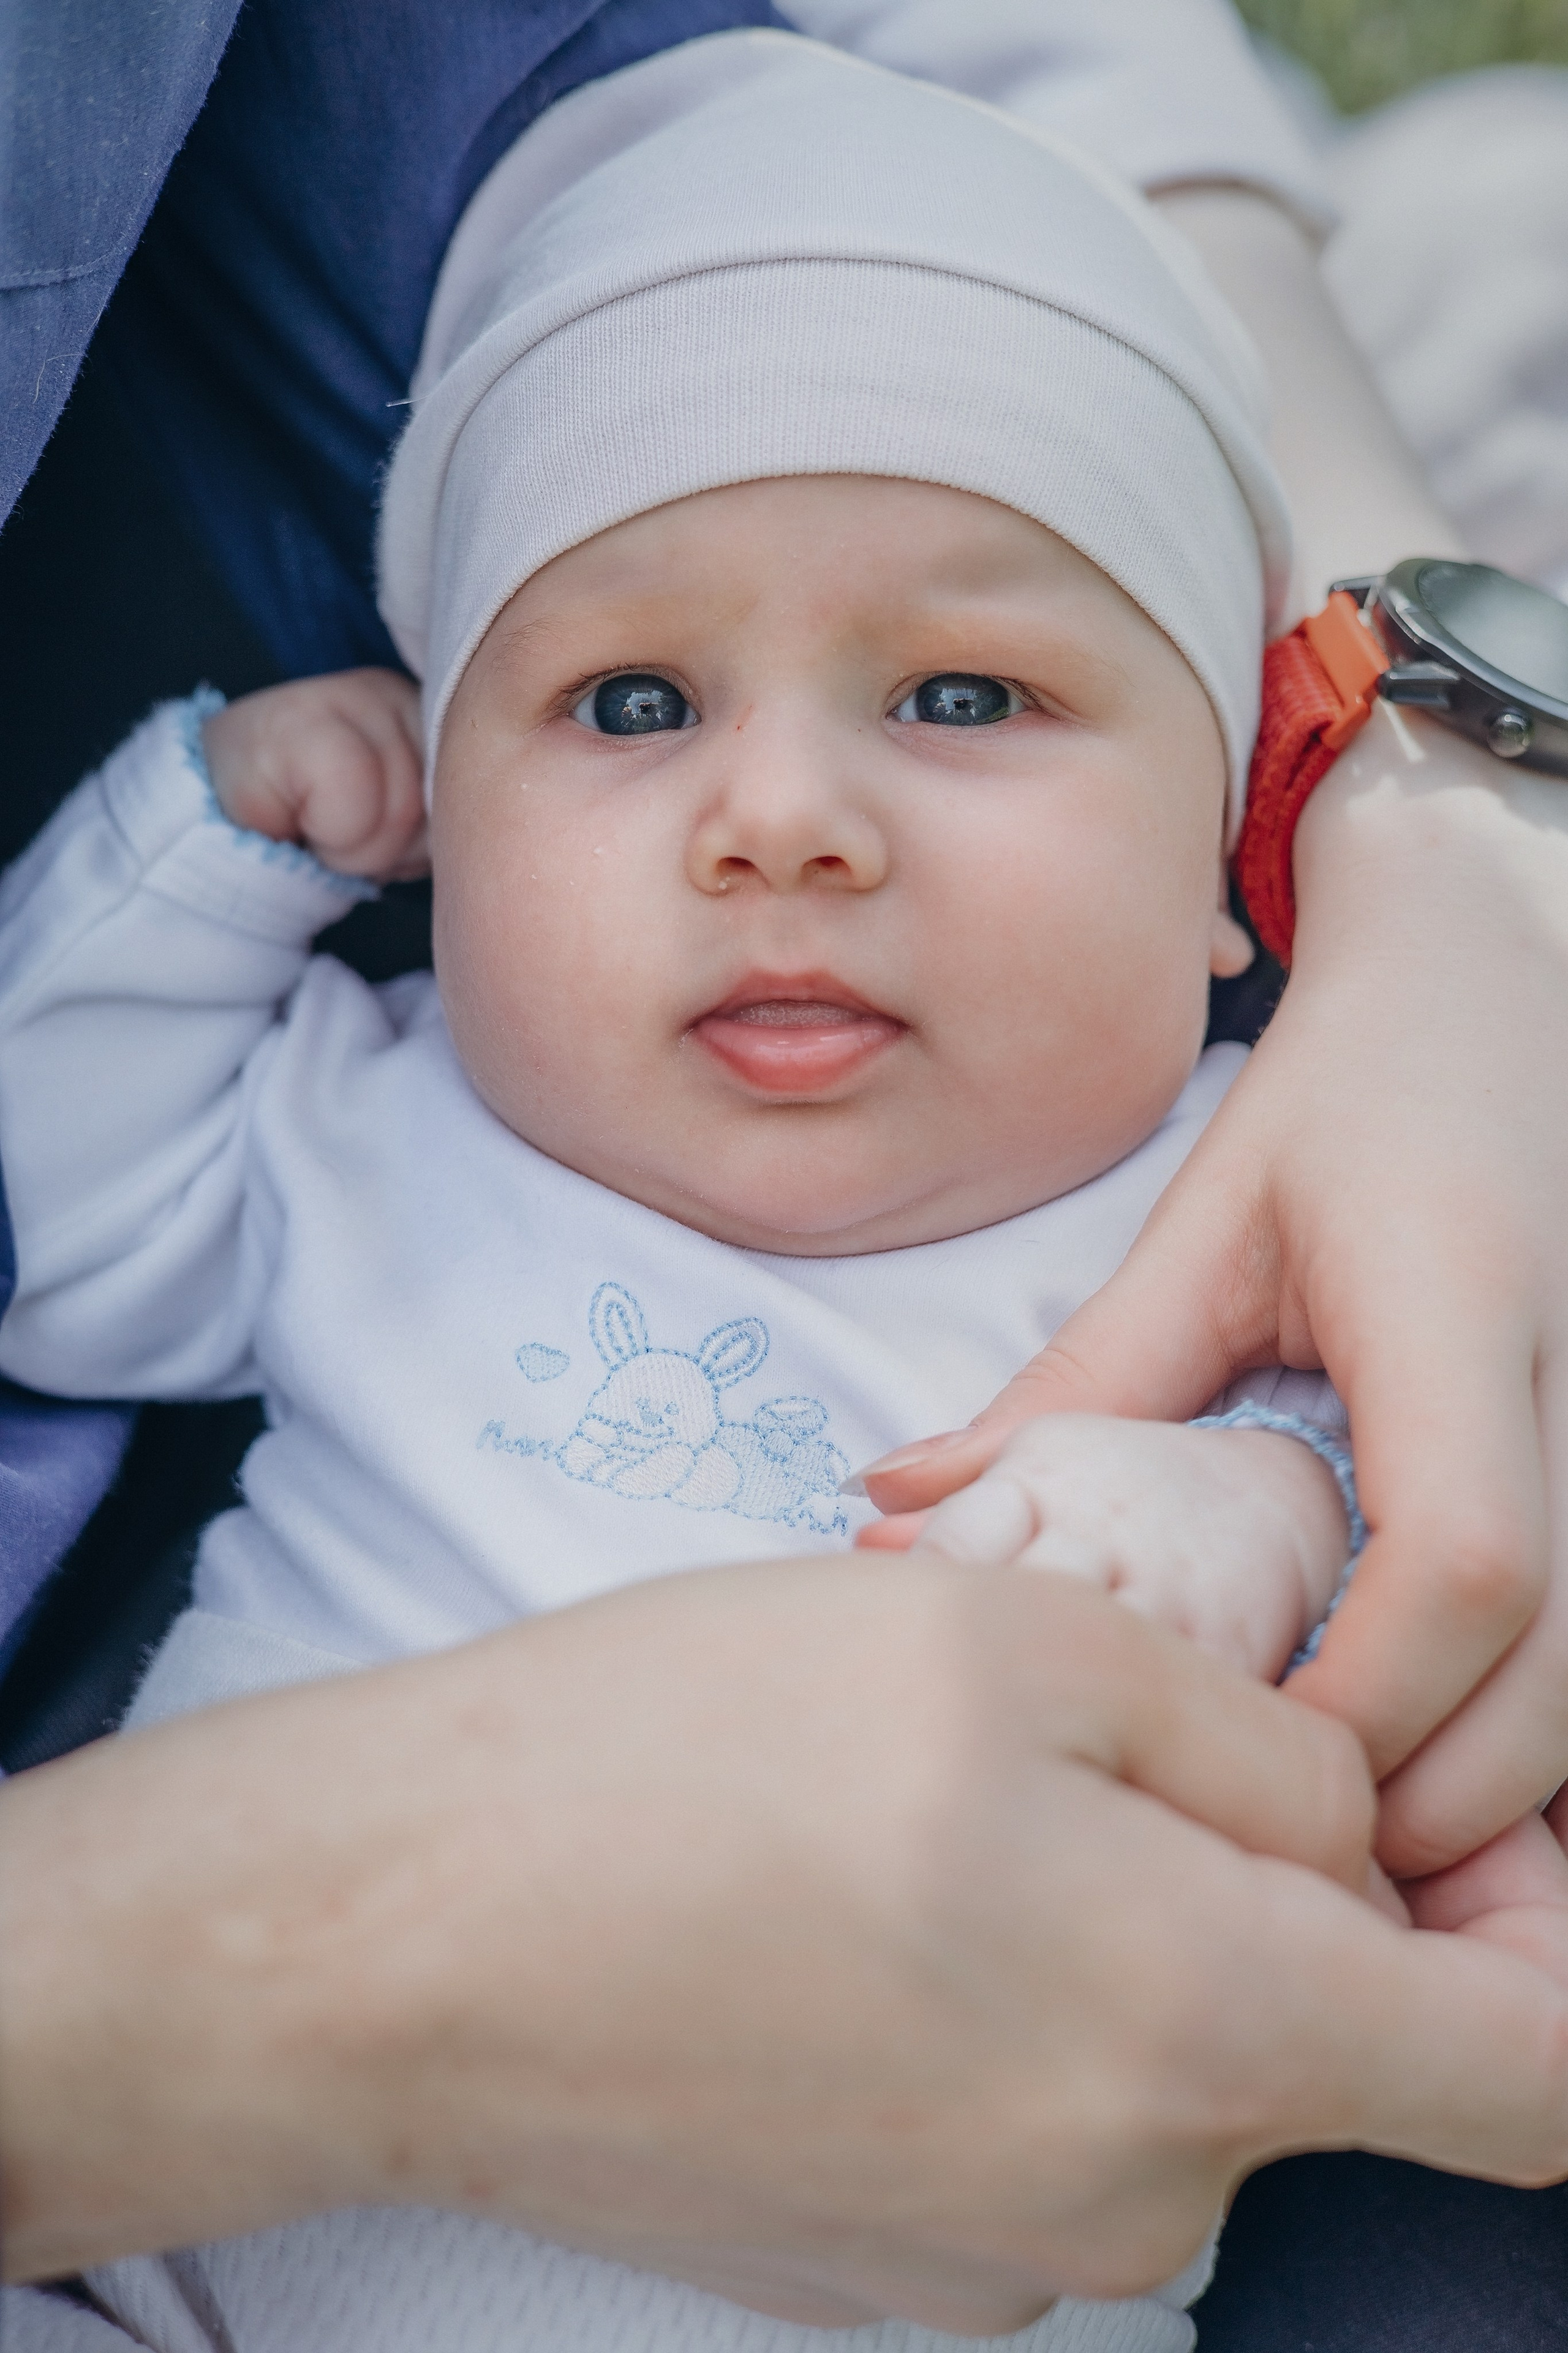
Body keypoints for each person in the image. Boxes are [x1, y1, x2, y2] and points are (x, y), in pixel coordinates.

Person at [8, 5, 1568, 2344]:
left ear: (1242, 860)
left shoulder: (1249, 1199)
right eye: (630, 705)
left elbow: (1380, 1495)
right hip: (156, 2233)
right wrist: (205, 838)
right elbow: (73, 1251)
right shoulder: (380, 1117)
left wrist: (1234, 1523)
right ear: (449, 816)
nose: (785, 819)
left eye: (963, 697)